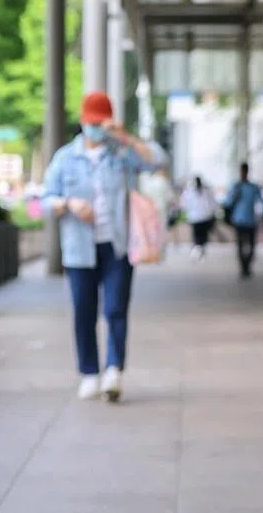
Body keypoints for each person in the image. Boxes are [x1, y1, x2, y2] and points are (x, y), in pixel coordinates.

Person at [42, 92, 168, 402]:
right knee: (84, 312)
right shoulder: (65, 158)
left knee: (115, 309)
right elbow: (44, 201)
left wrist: (125, 136)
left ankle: (114, 370)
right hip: (78, 249)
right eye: (92, 122)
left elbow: (158, 160)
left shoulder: (121, 154)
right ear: (83, 121)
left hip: (117, 245)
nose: (96, 128)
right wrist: (69, 204)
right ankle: (89, 372)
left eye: (102, 123)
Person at [223, 162, 263, 278]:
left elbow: (262, 202)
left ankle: (247, 266)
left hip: (251, 221)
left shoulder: (253, 187)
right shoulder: (236, 187)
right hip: (239, 221)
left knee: (251, 246)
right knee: (240, 245)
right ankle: (243, 268)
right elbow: (227, 203)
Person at [180, 176, 217, 261]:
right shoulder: (190, 192)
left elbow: (212, 204)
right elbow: (185, 205)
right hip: (196, 217)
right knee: (198, 236)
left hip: (203, 217)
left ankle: (200, 251)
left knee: (202, 236)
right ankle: (198, 252)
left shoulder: (206, 192)